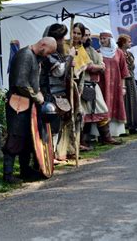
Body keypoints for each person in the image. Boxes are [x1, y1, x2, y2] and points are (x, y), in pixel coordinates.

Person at [3, 37, 57, 184]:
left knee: (27, 139)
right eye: (47, 52)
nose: (46, 55)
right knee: (15, 137)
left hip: (28, 104)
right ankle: (7, 174)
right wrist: (36, 96)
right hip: (18, 103)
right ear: (43, 44)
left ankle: (25, 170)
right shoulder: (25, 55)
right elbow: (21, 83)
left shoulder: (34, 56)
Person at [39, 23, 76, 162]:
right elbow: (59, 71)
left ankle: (53, 154)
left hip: (58, 93)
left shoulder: (58, 54)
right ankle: (49, 155)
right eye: (61, 39)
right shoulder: (48, 55)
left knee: (57, 126)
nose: (63, 41)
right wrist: (70, 57)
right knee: (52, 127)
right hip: (50, 94)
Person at [81, 28, 121, 146]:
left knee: (102, 111)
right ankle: (82, 141)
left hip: (94, 85)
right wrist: (96, 66)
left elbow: (101, 66)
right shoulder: (78, 50)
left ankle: (106, 138)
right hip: (82, 85)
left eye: (88, 35)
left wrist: (96, 66)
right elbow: (85, 66)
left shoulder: (92, 50)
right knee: (83, 114)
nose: (87, 37)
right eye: (85, 35)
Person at [63, 22, 92, 152]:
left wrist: (80, 86)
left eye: (78, 33)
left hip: (75, 85)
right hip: (64, 84)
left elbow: (83, 71)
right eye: (74, 32)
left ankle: (74, 146)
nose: (75, 35)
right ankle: (64, 148)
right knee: (66, 115)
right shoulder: (64, 46)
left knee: (77, 115)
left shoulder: (81, 50)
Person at [98, 30, 130, 137]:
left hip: (116, 84)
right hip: (102, 84)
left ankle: (116, 131)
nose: (102, 41)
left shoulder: (118, 53)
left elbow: (123, 71)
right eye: (101, 39)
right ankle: (102, 133)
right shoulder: (98, 52)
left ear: (110, 39)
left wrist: (123, 86)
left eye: (104, 38)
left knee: (116, 104)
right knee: (103, 106)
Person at [117, 34, 137, 134]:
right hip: (123, 80)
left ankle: (133, 126)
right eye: (129, 41)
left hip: (131, 79)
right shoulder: (118, 53)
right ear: (123, 43)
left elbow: (132, 67)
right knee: (125, 102)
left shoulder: (129, 54)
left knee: (133, 102)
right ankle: (123, 126)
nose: (131, 43)